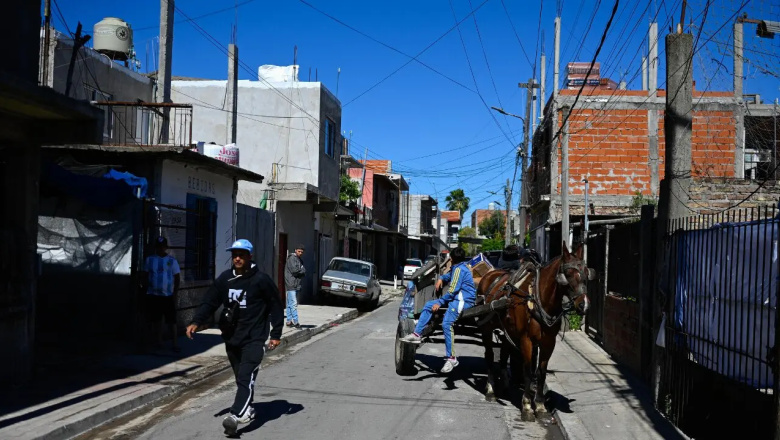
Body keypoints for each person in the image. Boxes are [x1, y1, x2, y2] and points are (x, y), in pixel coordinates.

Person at [185, 239, 283, 437]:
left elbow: (275, 305)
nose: (237, 258)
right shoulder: (225, 278)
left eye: (241, 255)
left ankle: (235, 416)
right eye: (234, 255)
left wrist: (276, 333)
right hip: (232, 338)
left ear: (250, 256)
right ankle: (248, 408)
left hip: (255, 338)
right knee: (242, 379)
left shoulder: (261, 280)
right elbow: (210, 301)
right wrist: (197, 321)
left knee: (246, 376)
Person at [400, 246, 476, 373]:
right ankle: (417, 334)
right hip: (456, 299)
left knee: (446, 324)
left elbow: (452, 291)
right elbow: (449, 276)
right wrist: (441, 278)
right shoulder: (457, 268)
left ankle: (452, 358)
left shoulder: (459, 270)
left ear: (452, 259)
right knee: (428, 305)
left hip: (463, 301)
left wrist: (440, 302)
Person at [141, 236, 181, 352]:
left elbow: (177, 277)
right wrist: (144, 290)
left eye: (163, 246)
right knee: (156, 320)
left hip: (167, 296)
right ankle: (158, 341)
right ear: (156, 247)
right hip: (153, 295)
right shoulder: (150, 260)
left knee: (172, 321)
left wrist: (175, 293)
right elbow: (145, 275)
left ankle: (175, 344)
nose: (161, 249)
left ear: (166, 247)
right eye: (159, 247)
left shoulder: (172, 261)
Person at [284, 244, 306, 328]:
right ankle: (296, 322)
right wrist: (302, 270)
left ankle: (289, 321)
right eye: (299, 251)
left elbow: (303, 271)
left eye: (302, 252)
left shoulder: (299, 259)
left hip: (296, 284)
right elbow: (295, 271)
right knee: (293, 304)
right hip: (291, 283)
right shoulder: (292, 258)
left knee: (290, 304)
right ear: (295, 250)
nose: (300, 253)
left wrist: (302, 271)